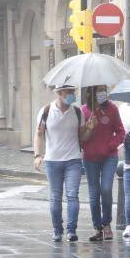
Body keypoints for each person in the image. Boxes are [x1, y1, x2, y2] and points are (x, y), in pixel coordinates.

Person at [33, 85, 94, 242]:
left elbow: (83, 138)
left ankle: (71, 231)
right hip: (52, 161)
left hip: (73, 160)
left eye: (74, 92)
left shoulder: (77, 112)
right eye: (69, 92)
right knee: (55, 196)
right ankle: (57, 230)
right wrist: (37, 155)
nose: (73, 95)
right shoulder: (46, 111)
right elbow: (39, 135)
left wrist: (90, 129)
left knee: (72, 195)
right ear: (59, 93)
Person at [81, 86, 125, 241]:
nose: (102, 93)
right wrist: (88, 128)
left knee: (106, 189)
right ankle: (97, 227)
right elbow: (80, 137)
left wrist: (111, 144)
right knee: (94, 193)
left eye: (104, 90)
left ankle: (106, 224)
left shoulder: (112, 109)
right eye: (99, 90)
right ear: (91, 93)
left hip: (109, 157)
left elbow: (121, 131)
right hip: (90, 158)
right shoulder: (83, 111)